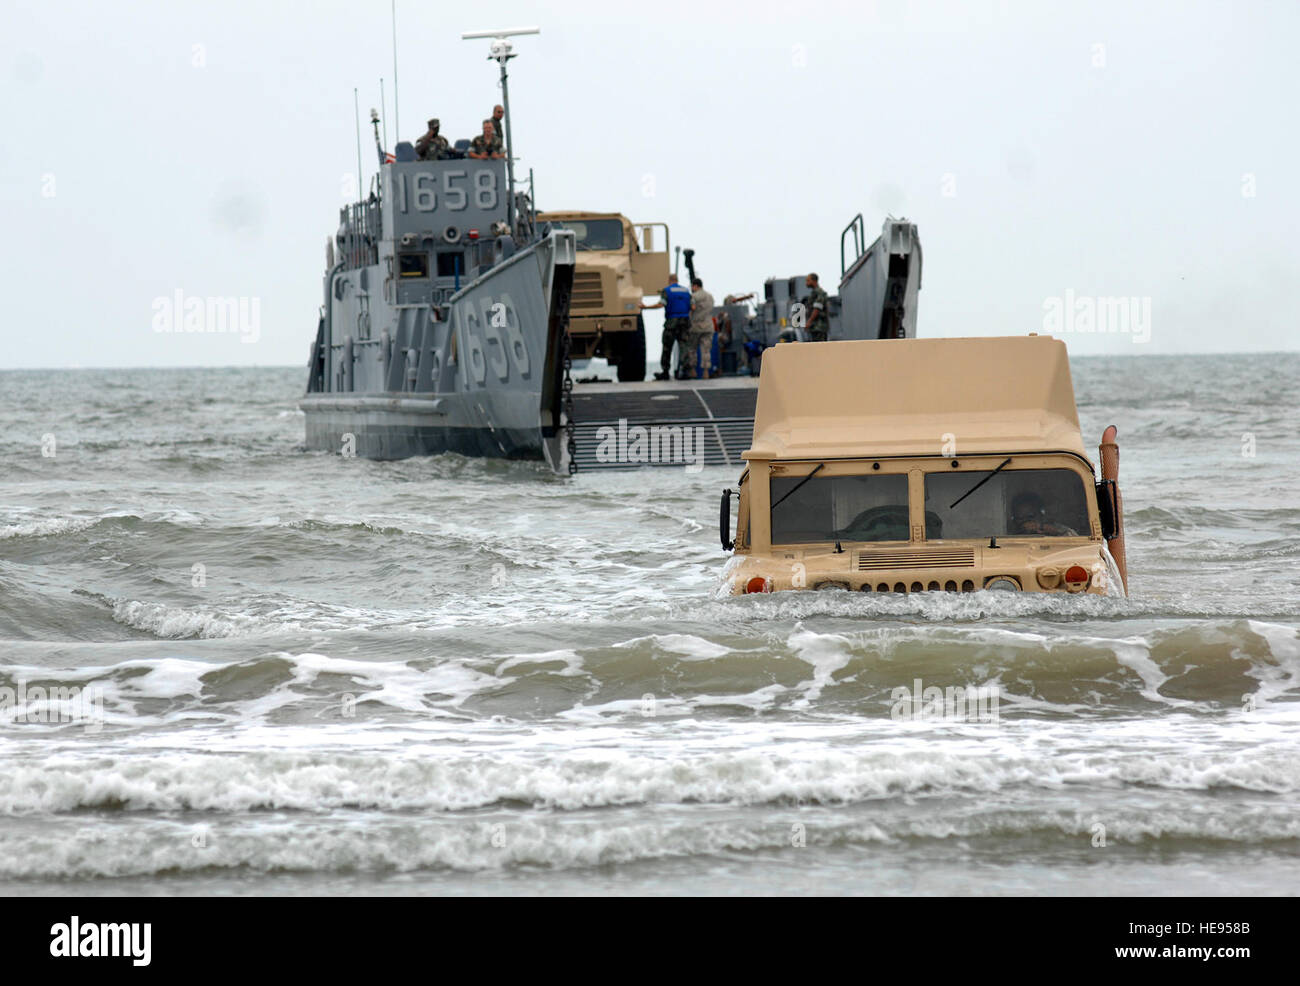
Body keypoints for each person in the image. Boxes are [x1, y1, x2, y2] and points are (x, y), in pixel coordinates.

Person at [640, 274, 692, 381]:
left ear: (669, 281)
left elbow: (661, 304)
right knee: (684, 347)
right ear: (677, 280)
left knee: (667, 347)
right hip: (685, 322)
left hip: (671, 323)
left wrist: (646, 307)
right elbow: (693, 306)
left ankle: (665, 372)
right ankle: (685, 371)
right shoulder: (686, 291)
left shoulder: (667, 291)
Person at [683, 277, 715, 379]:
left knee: (692, 349)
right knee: (706, 350)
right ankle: (706, 372)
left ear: (695, 286)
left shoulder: (693, 296)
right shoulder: (710, 296)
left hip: (696, 326)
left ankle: (693, 371)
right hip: (708, 326)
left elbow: (692, 308)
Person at [1009, 492, 1079, 536]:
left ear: (1041, 514)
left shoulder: (1057, 529)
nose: (1027, 522)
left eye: (1030, 517)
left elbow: (1076, 542)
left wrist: (1056, 533)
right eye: (1020, 518)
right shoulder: (1011, 535)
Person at [803, 273, 829, 341]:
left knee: (820, 348)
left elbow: (817, 309)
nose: (806, 283)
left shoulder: (819, 293)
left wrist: (809, 322)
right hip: (815, 326)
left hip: (819, 327)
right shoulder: (814, 293)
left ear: (814, 281)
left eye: (808, 280)